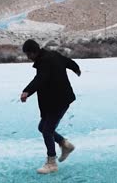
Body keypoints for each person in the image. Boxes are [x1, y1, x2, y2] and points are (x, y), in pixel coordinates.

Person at [20, 39, 81, 174]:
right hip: (57, 99)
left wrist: (27, 91)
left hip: (58, 101)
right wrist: (76, 69)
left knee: (47, 130)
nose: (28, 58)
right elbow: (68, 62)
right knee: (43, 127)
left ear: (33, 52)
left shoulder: (45, 62)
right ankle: (65, 145)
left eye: (28, 54)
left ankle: (51, 163)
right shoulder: (52, 55)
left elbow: (40, 79)